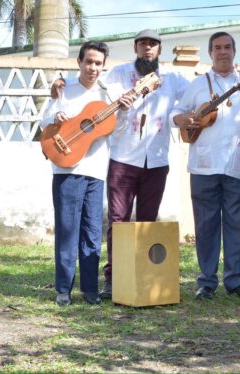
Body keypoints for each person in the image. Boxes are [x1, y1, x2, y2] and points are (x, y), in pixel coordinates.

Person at [51, 29, 188, 300]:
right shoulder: (118, 74)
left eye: (152, 44)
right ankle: (113, 278)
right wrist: (59, 81)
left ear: (159, 49)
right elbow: (93, 90)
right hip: (123, 159)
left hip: (157, 160)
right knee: (118, 222)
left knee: (148, 221)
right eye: (142, 44)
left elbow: (191, 97)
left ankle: (144, 277)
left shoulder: (172, 79)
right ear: (135, 48)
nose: (147, 49)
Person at [170, 32, 240, 300]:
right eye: (217, 48)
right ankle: (206, 282)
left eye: (227, 47)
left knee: (236, 224)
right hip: (203, 166)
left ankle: (236, 281)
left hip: (237, 165)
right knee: (206, 226)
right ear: (210, 52)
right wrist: (183, 119)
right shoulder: (198, 84)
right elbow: (175, 114)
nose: (223, 52)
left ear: (234, 51)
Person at [40, 41, 127, 307]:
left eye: (98, 63)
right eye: (88, 61)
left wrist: (123, 110)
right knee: (67, 230)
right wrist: (56, 116)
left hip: (96, 171)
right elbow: (43, 122)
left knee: (91, 231)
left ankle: (90, 289)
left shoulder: (107, 94)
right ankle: (63, 289)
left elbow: (117, 131)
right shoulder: (64, 88)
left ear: (103, 66)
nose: (93, 68)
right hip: (67, 167)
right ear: (79, 62)